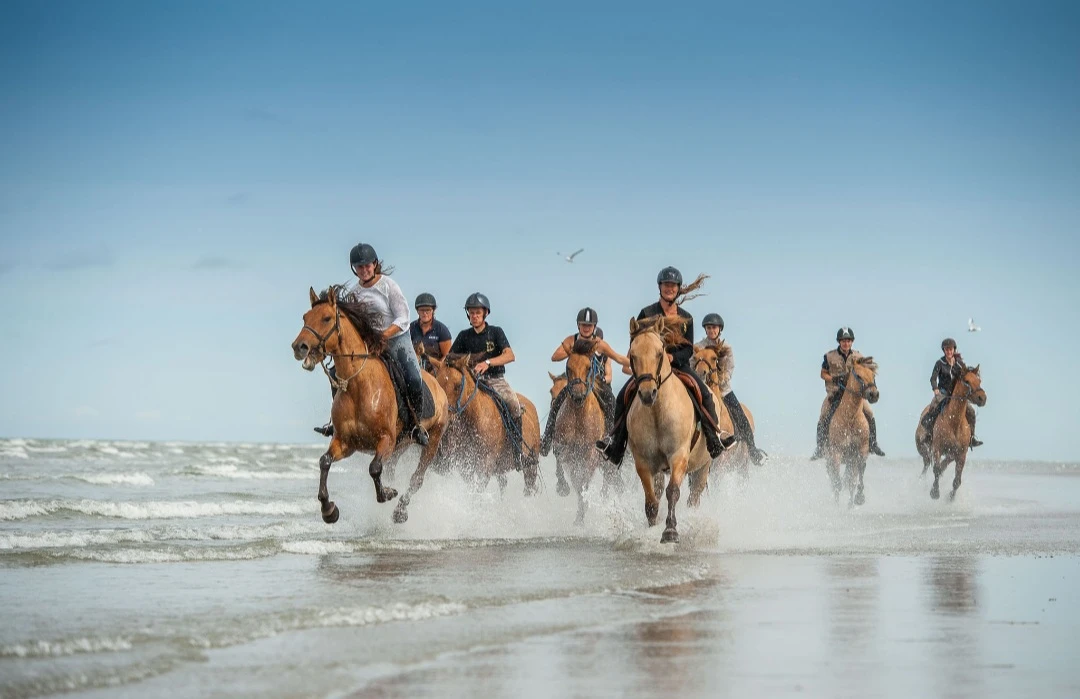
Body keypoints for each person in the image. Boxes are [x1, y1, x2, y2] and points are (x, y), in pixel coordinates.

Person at [595, 266, 735, 465]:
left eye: (673, 285)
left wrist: (672, 358)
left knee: (705, 394)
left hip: (678, 365)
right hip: (650, 368)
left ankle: (715, 438)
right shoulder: (647, 312)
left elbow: (688, 349)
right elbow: (638, 342)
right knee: (622, 396)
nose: (669, 288)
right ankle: (615, 443)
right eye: (666, 285)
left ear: (678, 289)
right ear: (659, 287)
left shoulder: (687, 318)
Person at [312, 243, 429, 445]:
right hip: (369, 343)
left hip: (396, 338)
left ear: (375, 264)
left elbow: (403, 317)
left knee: (412, 376)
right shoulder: (355, 292)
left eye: (367, 265)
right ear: (354, 269)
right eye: (359, 267)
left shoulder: (388, 285)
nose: (364, 270)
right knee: (335, 373)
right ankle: (337, 422)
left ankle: (416, 425)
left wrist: (383, 335)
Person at [539, 307, 630, 456]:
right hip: (575, 381)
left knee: (611, 402)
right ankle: (546, 440)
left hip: (596, 383)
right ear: (578, 325)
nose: (586, 328)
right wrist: (572, 351)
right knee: (557, 403)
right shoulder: (571, 340)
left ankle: (612, 441)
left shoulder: (599, 344)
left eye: (589, 325)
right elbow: (554, 357)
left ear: (594, 326)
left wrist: (636, 364)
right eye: (583, 325)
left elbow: (618, 358)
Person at [449, 293, 527, 457]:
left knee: (513, 405)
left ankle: (517, 452)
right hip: (471, 382)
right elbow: (450, 359)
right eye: (471, 313)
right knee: (451, 407)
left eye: (478, 312)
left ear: (485, 313)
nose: (474, 316)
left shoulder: (496, 332)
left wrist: (488, 362)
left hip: (496, 380)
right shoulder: (463, 336)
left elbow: (510, 356)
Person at [695, 313, 767, 465]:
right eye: (709, 328)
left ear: (719, 329)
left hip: (723, 390)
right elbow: (692, 365)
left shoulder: (727, 347)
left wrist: (722, 380)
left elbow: (730, 368)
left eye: (714, 328)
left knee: (741, 417)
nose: (711, 330)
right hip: (703, 389)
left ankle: (753, 451)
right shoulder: (699, 347)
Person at [810, 326, 885, 460]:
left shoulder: (859, 357)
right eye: (843, 341)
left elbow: (867, 373)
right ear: (839, 342)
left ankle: (873, 444)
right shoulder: (829, 356)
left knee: (869, 412)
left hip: (854, 394)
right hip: (835, 392)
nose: (846, 343)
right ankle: (820, 447)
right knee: (824, 414)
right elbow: (823, 374)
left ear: (852, 342)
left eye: (849, 341)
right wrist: (833, 378)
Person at [919, 337, 983, 448]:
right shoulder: (939, 363)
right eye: (946, 349)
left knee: (971, 412)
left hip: (957, 394)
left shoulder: (959, 364)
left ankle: (971, 438)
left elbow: (966, 375)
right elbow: (933, 378)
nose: (949, 351)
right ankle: (929, 435)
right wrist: (935, 389)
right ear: (944, 351)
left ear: (954, 350)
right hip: (943, 392)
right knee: (934, 406)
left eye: (951, 349)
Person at [409, 293, 453, 362]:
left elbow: (447, 355)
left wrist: (438, 366)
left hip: (435, 366)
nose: (425, 313)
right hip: (414, 364)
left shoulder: (442, 330)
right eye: (422, 310)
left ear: (433, 310)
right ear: (417, 311)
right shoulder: (411, 328)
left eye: (428, 310)